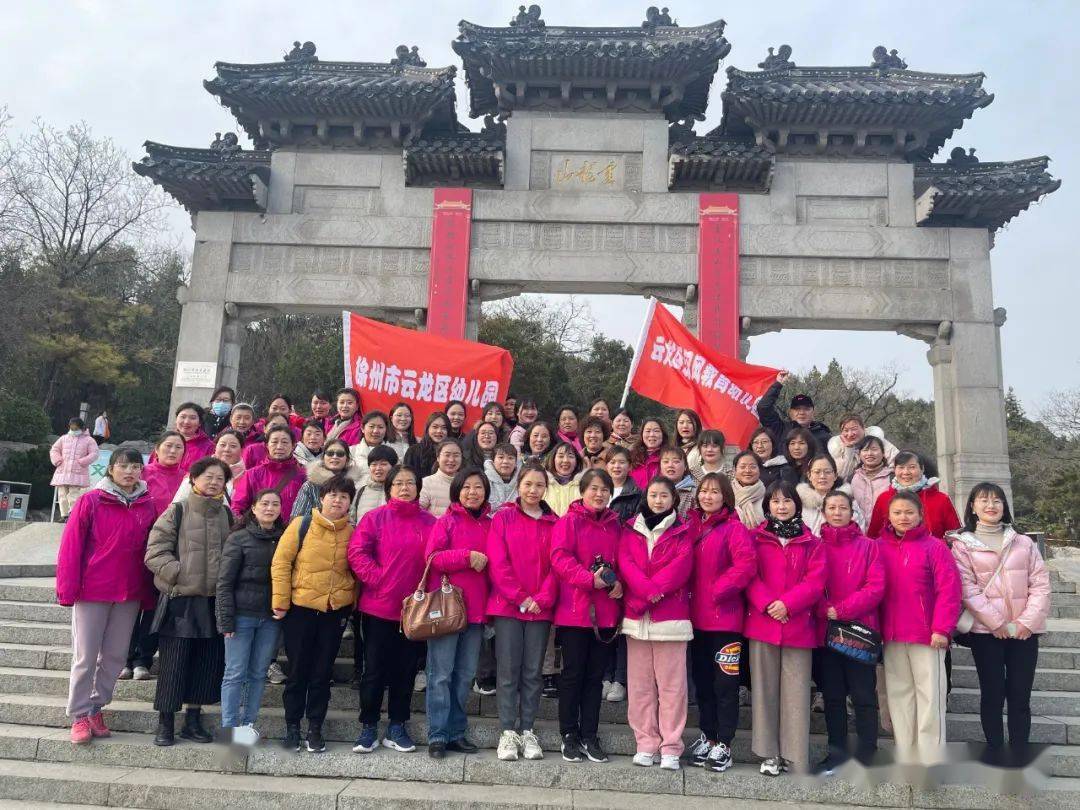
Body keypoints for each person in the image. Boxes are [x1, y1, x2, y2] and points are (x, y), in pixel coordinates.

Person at [56, 448, 158, 744]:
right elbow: (71, 546)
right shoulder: (91, 500)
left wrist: (148, 591)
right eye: (123, 466)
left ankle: (96, 707)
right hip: (93, 589)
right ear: (110, 469)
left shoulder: (148, 505)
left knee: (114, 656)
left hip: (129, 592)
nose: (129, 472)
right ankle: (79, 715)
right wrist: (67, 588)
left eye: (135, 467)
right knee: (86, 656)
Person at [950, 483, 1050, 760]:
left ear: (1004, 506)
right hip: (986, 632)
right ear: (972, 506)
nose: (990, 505)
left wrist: (1025, 623)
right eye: (983, 500)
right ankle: (994, 748)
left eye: (997, 500)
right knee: (992, 694)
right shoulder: (962, 545)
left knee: (1020, 696)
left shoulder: (1023, 542)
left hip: (1024, 632)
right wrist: (996, 624)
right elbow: (966, 589)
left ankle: (1020, 750)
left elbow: (1040, 585)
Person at [144, 457, 233, 746]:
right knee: (174, 663)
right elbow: (155, 552)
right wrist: (179, 574)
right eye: (208, 476)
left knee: (206, 663)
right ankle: (165, 722)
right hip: (181, 600)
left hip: (212, 602)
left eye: (220, 478)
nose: (214, 482)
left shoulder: (227, 515)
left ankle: (193, 720)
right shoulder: (177, 510)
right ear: (194, 478)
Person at [349, 465, 434, 754]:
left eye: (411, 483)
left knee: (406, 670)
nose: (405, 488)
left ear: (418, 489)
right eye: (399, 483)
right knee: (374, 669)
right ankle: (368, 725)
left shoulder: (430, 522)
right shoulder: (375, 518)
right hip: (378, 608)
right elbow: (357, 553)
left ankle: (397, 725)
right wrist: (379, 581)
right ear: (389, 489)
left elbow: (436, 560)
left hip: (414, 611)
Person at [744, 481, 826, 776]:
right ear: (767, 506)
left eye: (787, 501)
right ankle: (769, 753)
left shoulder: (812, 542)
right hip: (762, 622)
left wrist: (788, 605)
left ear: (797, 505)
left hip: (797, 624)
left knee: (796, 692)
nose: (781, 506)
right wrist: (768, 603)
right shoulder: (755, 538)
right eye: (775, 501)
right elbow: (749, 575)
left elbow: (815, 582)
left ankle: (794, 754)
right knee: (765, 691)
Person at [271, 476, 358, 752]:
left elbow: (356, 572)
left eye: (344, 497)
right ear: (322, 498)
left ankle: (315, 728)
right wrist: (281, 601)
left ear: (349, 503)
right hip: (300, 609)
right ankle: (292, 727)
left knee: (322, 673)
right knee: (298, 672)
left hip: (333, 612)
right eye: (332, 495)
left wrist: (350, 603)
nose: (337, 500)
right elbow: (281, 563)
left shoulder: (352, 532)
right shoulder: (301, 525)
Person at [878, 491, 961, 762]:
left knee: (930, 696)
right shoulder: (878, 546)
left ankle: (931, 758)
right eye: (898, 512)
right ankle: (907, 754)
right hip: (891, 635)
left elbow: (949, 590)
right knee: (899, 696)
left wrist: (942, 628)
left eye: (909, 512)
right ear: (888, 516)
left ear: (920, 515)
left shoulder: (935, 547)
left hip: (928, 635)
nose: (904, 517)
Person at [620, 476, 695, 771]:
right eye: (653, 495)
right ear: (646, 497)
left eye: (664, 495)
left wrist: (648, 596)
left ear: (673, 499)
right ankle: (645, 742)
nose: (659, 500)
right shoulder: (630, 529)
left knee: (672, 687)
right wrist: (644, 596)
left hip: (670, 618)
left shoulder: (683, 531)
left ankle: (671, 745)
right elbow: (626, 564)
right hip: (637, 621)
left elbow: (680, 568)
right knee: (640, 687)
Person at [550, 469, 624, 764]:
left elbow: (625, 560)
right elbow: (559, 557)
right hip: (574, 610)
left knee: (595, 678)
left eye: (605, 489)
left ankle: (590, 734)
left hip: (605, 612)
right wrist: (587, 579)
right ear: (582, 491)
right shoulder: (568, 521)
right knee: (572, 675)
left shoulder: (616, 525)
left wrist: (620, 583)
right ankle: (568, 733)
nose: (599, 494)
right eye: (593, 488)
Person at [487, 464, 557, 762]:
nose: (533, 490)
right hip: (508, 606)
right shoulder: (503, 518)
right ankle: (507, 731)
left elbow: (559, 563)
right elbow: (497, 561)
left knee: (532, 672)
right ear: (519, 485)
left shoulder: (555, 523)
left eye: (539, 485)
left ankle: (527, 729)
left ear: (545, 488)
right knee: (508, 671)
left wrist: (541, 598)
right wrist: (520, 597)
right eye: (528, 484)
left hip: (540, 609)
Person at [687, 472, 756, 772]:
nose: (708, 496)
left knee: (725, 685)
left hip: (725, 620)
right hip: (694, 619)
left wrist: (718, 590)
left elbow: (745, 565)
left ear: (725, 496)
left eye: (715, 492)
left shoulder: (734, 529)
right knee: (703, 683)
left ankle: (724, 743)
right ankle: (708, 736)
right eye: (704, 491)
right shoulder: (690, 526)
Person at [424, 468, 492, 758]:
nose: (472, 492)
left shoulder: (492, 524)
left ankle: (456, 732)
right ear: (457, 491)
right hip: (447, 609)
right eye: (466, 487)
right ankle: (438, 734)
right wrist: (466, 557)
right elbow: (432, 558)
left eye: (478, 487)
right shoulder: (446, 521)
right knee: (440, 675)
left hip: (477, 611)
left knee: (464, 675)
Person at [816, 490, 884, 770]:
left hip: (860, 630)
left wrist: (841, 609)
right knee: (832, 696)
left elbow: (876, 586)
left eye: (842, 507)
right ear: (824, 512)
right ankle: (837, 752)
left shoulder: (869, 546)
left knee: (864, 695)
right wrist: (825, 609)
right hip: (825, 633)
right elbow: (810, 583)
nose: (837, 512)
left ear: (851, 512)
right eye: (831, 507)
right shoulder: (815, 545)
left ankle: (868, 751)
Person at [216, 489, 284, 741]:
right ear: (253, 509)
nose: (269, 508)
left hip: (270, 618)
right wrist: (226, 619)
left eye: (275, 504)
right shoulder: (239, 538)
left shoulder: (285, 538)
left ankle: (248, 725)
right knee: (234, 672)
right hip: (241, 616)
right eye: (264, 504)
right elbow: (224, 582)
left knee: (258, 673)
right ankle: (230, 727)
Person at [867, 452, 961, 539]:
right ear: (894, 470)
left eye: (912, 467)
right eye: (901, 467)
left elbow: (955, 536)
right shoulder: (884, 498)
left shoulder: (941, 499)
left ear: (922, 469)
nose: (906, 472)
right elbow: (873, 536)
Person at [232, 425, 305, 519]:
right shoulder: (252, 474)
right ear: (267, 445)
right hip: (259, 531)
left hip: (292, 531)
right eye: (274, 442)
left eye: (285, 442)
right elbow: (237, 507)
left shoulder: (303, 476)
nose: (279, 447)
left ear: (293, 446)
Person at [290, 437, 362, 520]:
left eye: (340, 454)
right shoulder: (310, 486)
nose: (335, 457)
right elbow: (297, 520)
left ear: (347, 459)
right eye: (330, 453)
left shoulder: (357, 483)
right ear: (323, 457)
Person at [758, 371, 832, 449]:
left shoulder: (825, 436)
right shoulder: (780, 429)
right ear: (790, 413)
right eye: (797, 409)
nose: (801, 412)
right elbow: (763, 407)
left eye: (806, 409)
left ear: (813, 412)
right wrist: (778, 384)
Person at [172, 429, 246, 506]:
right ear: (215, 447)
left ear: (242, 449)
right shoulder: (199, 472)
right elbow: (177, 505)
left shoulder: (248, 477)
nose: (226, 449)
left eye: (233, 446)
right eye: (222, 445)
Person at [797, 454, 865, 534]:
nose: (822, 476)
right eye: (817, 472)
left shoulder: (849, 502)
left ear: (835, 476)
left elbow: (858, 533)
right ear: (809, 476)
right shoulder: (798, 504)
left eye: (827, 472)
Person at [50, 418, 100, 520]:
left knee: (74, 494)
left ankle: (73, 514)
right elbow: (54, 449)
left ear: (82, 428)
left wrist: (82, 462)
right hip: (63, 471)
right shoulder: (63, 438)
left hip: (78, 472)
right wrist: (57, 460)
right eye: (72, 428)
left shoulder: (89, 440)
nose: (73, 430)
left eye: (76, 428)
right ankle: (64, 515)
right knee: (62, 494)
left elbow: (94, 453)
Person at [828, 415, 898, 482]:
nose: (850, 434)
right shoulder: (838, 447)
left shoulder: (878, 441)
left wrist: (886, 478)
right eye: (846, 430)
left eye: (854, 429)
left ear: (863, 428)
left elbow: (898, 462)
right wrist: (849, 449)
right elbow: (841, 476)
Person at [143, 432, 188, 518]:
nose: (173, 451)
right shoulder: (142, 473)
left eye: (178, 447)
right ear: (157, 449)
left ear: (184, 453)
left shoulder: (187, 478)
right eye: (168, 445)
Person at [850, 435, 893, 520]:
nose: (869, 453)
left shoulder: (892, 478)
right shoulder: (852, 478)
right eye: (865, 450)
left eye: (874, 449)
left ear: (883, 453)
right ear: (859, 454)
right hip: (858, 531)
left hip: (884, 530)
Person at [352, 445, 397, 522]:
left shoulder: (399, 492)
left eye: (383, 464)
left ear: (393, 466)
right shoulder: (360, 492)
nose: (378, 468)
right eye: (374, 464)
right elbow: (352, 521)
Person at [420, 439, 463, 517]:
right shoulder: (426, 483)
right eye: (447, 455)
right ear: (438, 457)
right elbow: (419, 513)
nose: (451, 460)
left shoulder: (466, 483)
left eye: (456, 455)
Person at [404, 411, 450, 480]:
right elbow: (406, 477)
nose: (439, 431)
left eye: (444, 428)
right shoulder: (413, 451)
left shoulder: (452, 453)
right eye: (435, 427)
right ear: (428, 428)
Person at [544, 441, 585, 516]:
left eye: (570, 456)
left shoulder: (584, 485)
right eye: (561, 456)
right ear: (553, 459)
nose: (565, 460)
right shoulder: (543, 484)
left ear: (577, 461)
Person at [172, 403, 216, 472]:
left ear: (200, 423)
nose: (186, 422)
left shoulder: (209, 447)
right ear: (176, 419)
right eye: (183, 417)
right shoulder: (166, 441)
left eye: (192, 418)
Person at [348, 411, 390, 484]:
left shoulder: (393, 453)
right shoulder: (350, 451)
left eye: (380, 427)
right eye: (371, 426)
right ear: (362, 428)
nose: (376, 431)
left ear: (386, 430)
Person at [731, 451, 766, 531]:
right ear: (735, 470)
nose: (747, 471)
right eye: (742, 467)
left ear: (760, 470)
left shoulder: (769, 497)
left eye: (752, 467)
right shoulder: (726, 495)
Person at [629, 418, 668, 489]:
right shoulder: (631, 456)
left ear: (663, 435)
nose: (652, 434)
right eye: (648, 431)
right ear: (642, 434)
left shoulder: (668, 457)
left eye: (656, 431)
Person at [658, 446, 696, 519]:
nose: (670, 465)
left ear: (685, 466)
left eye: (676, 462)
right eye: (666, 461)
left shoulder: (694, 493)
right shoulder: (653, 490)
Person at [606, 446, 641, 522]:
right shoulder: (598, 489)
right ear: (606, 466)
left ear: (630, 466)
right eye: (612, 462)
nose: (617, 466)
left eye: (621, 462)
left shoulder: (637, 494)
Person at [485, 442, 520, 510]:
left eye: (510, 458)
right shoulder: (484, 480)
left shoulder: (522, 480)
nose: (505, 461)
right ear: (493, 461)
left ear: (516, 462)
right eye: (501, 457)